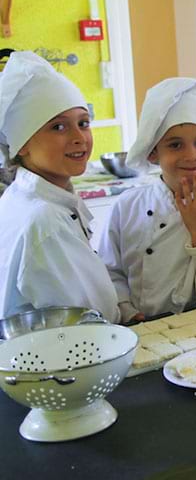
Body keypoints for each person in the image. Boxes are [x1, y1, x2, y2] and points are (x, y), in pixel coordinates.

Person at [98, 78, 196, 322]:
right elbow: (109, 272)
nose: (191, 155)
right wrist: (126, 310)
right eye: (175, 145)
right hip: (136, 332)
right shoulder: (126, 207)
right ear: (153, 153)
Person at [0, 51, 119, 322]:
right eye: (58, 127)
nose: (79, 138)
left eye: (83, 123)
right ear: (23, 143)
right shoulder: (44, 222)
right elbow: (91, 317)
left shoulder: (24, 198)